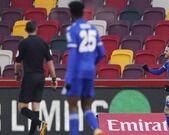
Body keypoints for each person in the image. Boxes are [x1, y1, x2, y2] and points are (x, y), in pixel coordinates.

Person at [62, 1, 105, 135]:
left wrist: (68, 78)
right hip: (89, 71)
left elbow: (73, 54)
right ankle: (96, 128)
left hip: (76, 72)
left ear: (71, 13)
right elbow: (102, 53)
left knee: (72, 106)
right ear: (82, 12)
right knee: (86, 105)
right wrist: (92, 63)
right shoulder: (93, 29)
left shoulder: (71, 29)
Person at [15, 21, 57, 135]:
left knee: (22, 107)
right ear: (37, 29)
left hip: (29, 77)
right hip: (40, 77)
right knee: (36, 107)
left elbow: (18, 62)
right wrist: (53, 79)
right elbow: (50, 63)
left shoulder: (23, 43)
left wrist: (17, 74)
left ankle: (40, 123)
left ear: (26, 30)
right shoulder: (44, 43)